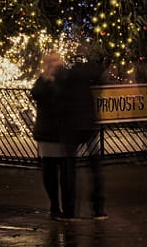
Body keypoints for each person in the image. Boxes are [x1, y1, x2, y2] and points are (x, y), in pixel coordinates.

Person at [30, 49, 106, 221]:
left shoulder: (67, 76)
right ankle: (57, 207)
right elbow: (38, 95)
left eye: (57, 60)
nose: (56, 63)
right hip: (50, 131)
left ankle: (70, 210)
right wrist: (48, 81)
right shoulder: (46, 80)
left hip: (66, 130)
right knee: (52, 171)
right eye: (52, 61)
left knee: (67, 170)